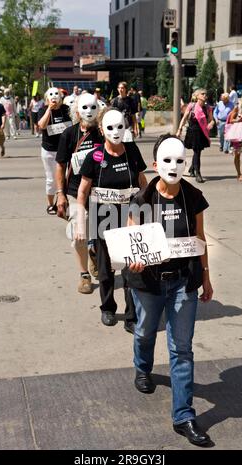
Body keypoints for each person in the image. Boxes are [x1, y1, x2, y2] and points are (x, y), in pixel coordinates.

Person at [126, 134, 213, 447]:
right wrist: (134, 260)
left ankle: (184, 416)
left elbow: (200, 238)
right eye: (167, 160)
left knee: (181, 349)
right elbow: (133, 242)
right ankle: (142, 367)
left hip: (182, 283)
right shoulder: (142, 200)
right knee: (146, 332)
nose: (174, 166)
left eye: (179, 160)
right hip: (148, 283)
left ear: (186, 163)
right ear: (154, 165)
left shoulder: (193, 197)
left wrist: (205, 276)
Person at [76, 109, 147, 331]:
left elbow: (143, 183)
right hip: (102, 219)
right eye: (110, 127)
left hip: (129, 218)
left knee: (129, 268)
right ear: (101, 129)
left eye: (120, 126)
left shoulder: (132, 151)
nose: (115, 132)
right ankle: (107, 307)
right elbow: (82, 192)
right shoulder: (95, 156)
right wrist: (80, 222)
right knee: (106, 270)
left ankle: (131, 314)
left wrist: (147, 212)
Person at [55, 93, 103, 294]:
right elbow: (60, 165)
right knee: (79, 235)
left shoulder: (104, 132)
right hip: (76, 191)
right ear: (77, 111)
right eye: (84, 108)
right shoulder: (69, 134)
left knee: (101, 234)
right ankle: (84, 275)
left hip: (102, 191)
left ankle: (94, 252)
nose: (89, 112)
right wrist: (60, 193)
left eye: (93, 108)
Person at [38, 87, 72, 215]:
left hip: (64, 149)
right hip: (49, 150)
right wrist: (49, 109)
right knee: (51, 179)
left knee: (66, 177)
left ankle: (63, 201)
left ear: (61, 97)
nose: (54, 97)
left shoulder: (66, 109)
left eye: (56, 94)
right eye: (51, 95)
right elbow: (41, 125)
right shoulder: (43, 110)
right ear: (47, 98)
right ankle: (50, 204)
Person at [177, 89, 214, 183]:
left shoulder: (208, 108)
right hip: (192, 132)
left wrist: (211, 124)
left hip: (202, 133)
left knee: (197, 151)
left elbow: (211, 120)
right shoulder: (192, 106)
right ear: (197, 96)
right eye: (202, 94)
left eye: (206, 94)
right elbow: (184, 118)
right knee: (197, 152)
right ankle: (198, 173)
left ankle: (192, 168)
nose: (205, 95)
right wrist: (179, 129)